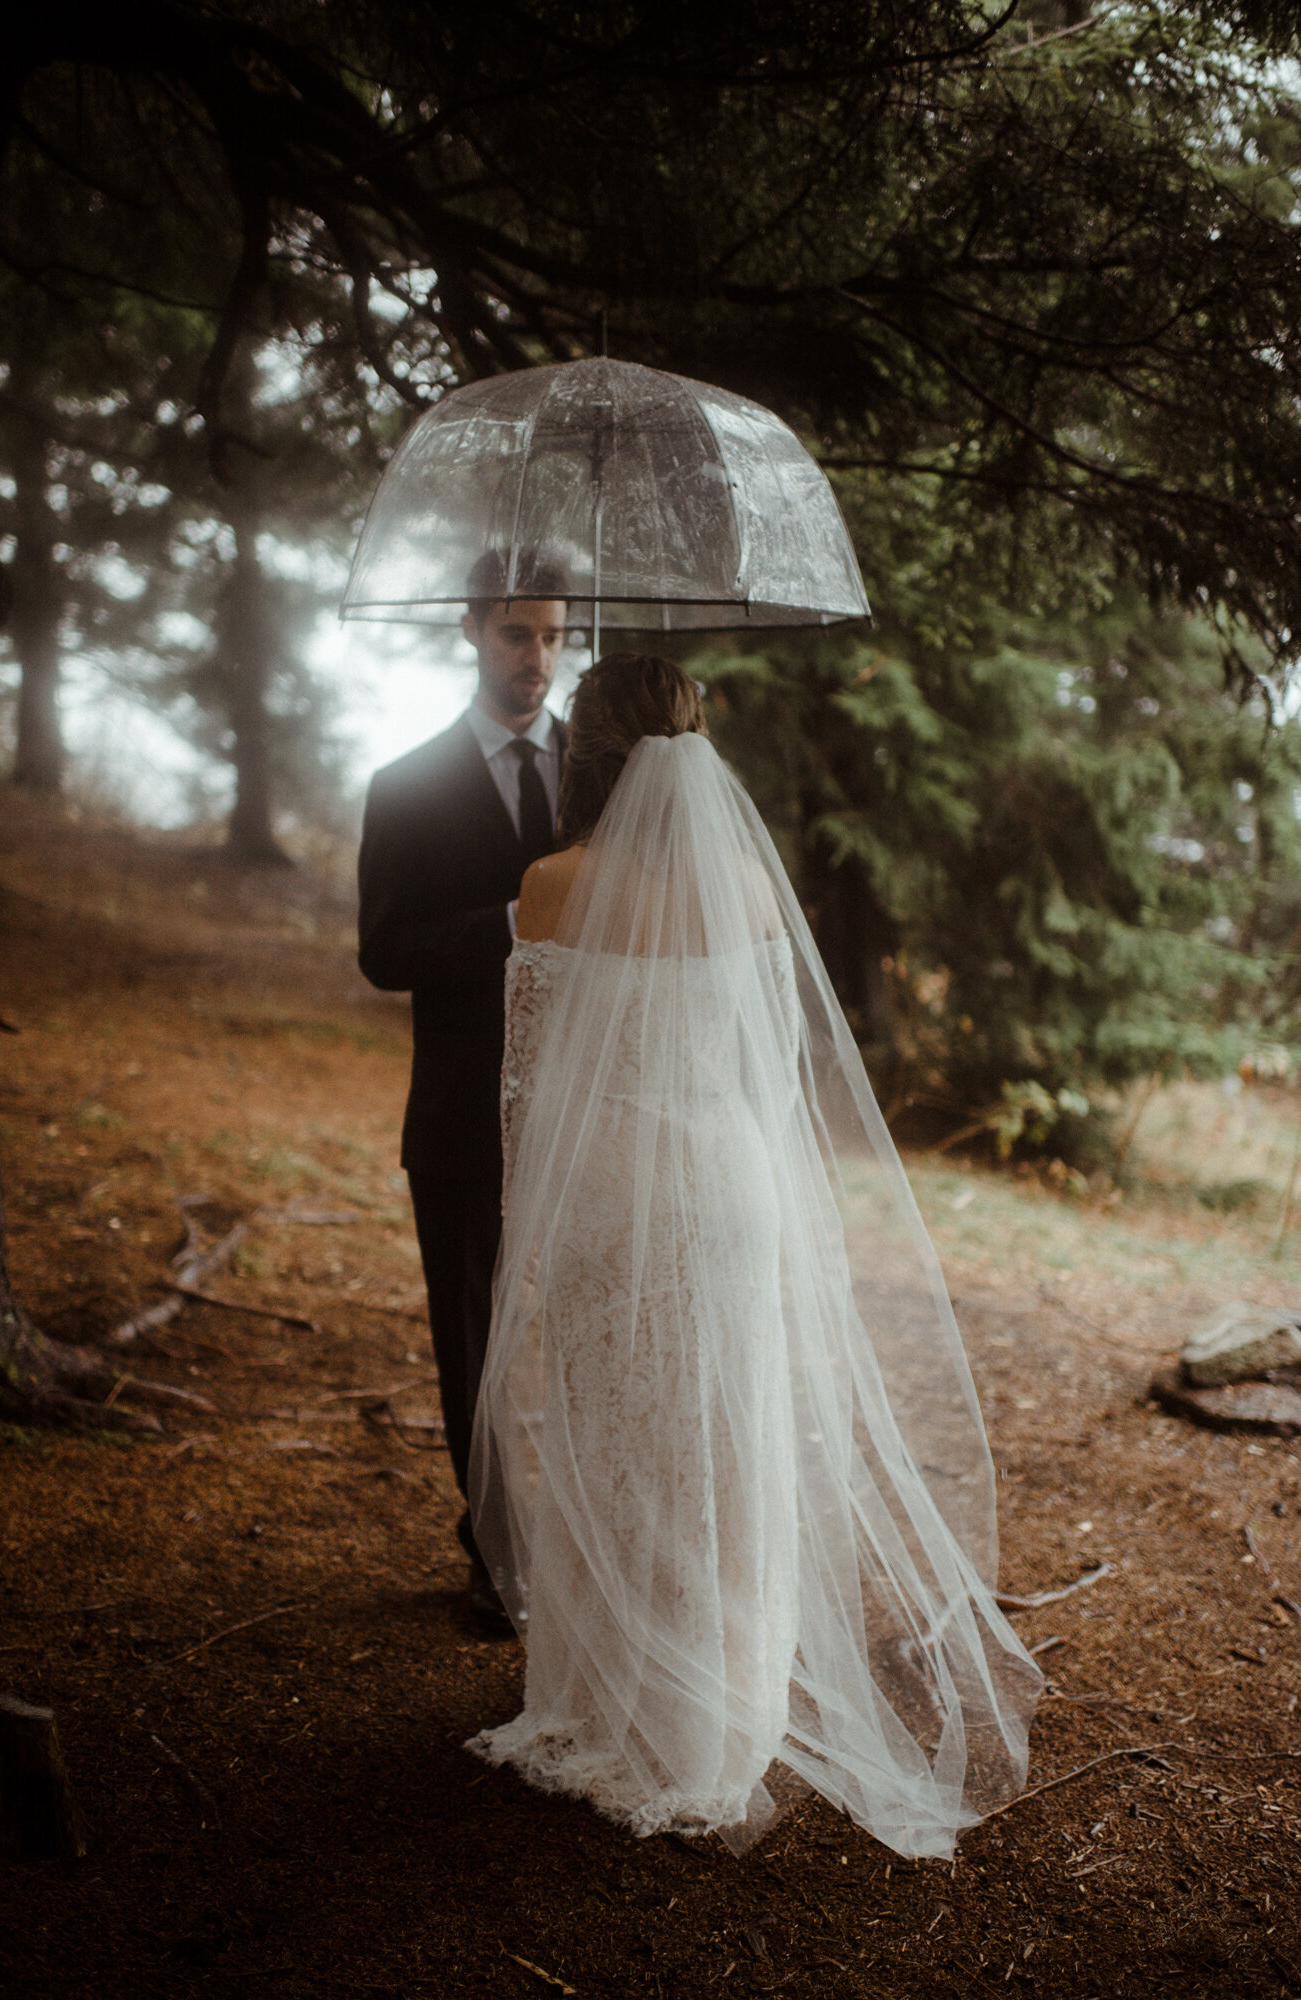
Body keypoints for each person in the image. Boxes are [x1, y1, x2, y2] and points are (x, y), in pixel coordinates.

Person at [467, 654, 1041, 1856]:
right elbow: (768, 1072)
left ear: (588, 754)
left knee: (612, 1440)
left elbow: (530, 1086)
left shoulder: (552, 882)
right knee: (721, 1447)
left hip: (612, 1193)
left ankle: (607, 1701)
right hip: (728, 1187)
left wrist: (531, 1224)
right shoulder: (747, 884)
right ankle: (715, 1713)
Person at [356, 554, 569, 1632]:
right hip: (457, 1113)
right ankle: (494, 1549)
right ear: (471, 630)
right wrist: (509, 925)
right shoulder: (405, 784)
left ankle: (588, 1548)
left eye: (552, 636)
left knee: (587, 1327)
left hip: (585, 1106)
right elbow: (383, 950)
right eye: (515, 634)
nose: (535, 658)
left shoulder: (606, 773)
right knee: (474, 1338)